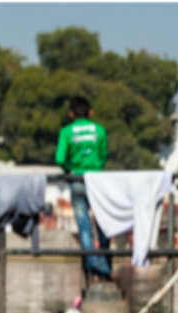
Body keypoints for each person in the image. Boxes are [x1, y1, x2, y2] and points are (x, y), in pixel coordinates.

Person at [56, 95, 111, 298]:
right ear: (90, 113)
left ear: (71, 114)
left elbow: (60, 158)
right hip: (98, 182)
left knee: (85, 228)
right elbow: (104, 154)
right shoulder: (100, 130)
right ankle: (106, 266)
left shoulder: (66, 132)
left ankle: (95, 267)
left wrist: (71, 170)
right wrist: (97, 167)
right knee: (104, 225)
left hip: (78, 181)